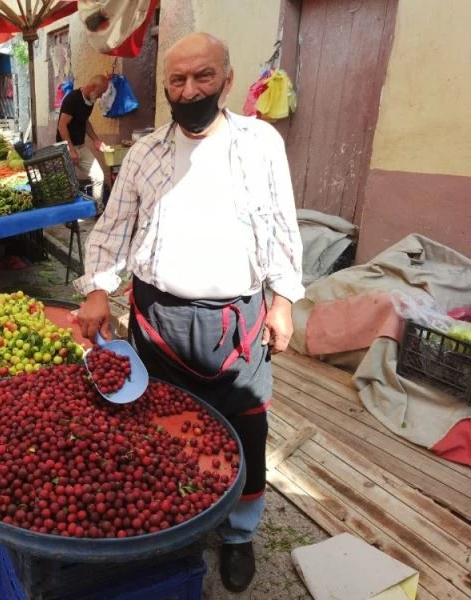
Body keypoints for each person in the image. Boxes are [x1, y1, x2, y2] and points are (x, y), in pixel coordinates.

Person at [74, 33, 303, 593]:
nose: (190, 88)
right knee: (167, 431)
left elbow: (279, 226)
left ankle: (239, 536)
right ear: (167, 88)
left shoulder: (260, 144)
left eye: (203, 76)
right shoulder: (146, 153)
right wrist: (99, 289)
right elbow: (113, 229)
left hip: (238, 322)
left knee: (246, 430)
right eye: (178, 80)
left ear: (227, 79)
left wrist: (285, 299)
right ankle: (177, 519)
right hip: (160, 319)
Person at [55, 74, 111, 206]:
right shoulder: (72, 99)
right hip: (65, 148)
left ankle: (96, 208)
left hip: (80, 146)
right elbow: (62, 125)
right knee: (69, 185)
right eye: (101, 92)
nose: (101, 96)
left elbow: (85, 122)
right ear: (93, 87)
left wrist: (96, 140)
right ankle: (70, 218)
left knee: (98, 176)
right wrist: (71, 149)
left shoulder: (89, 101)